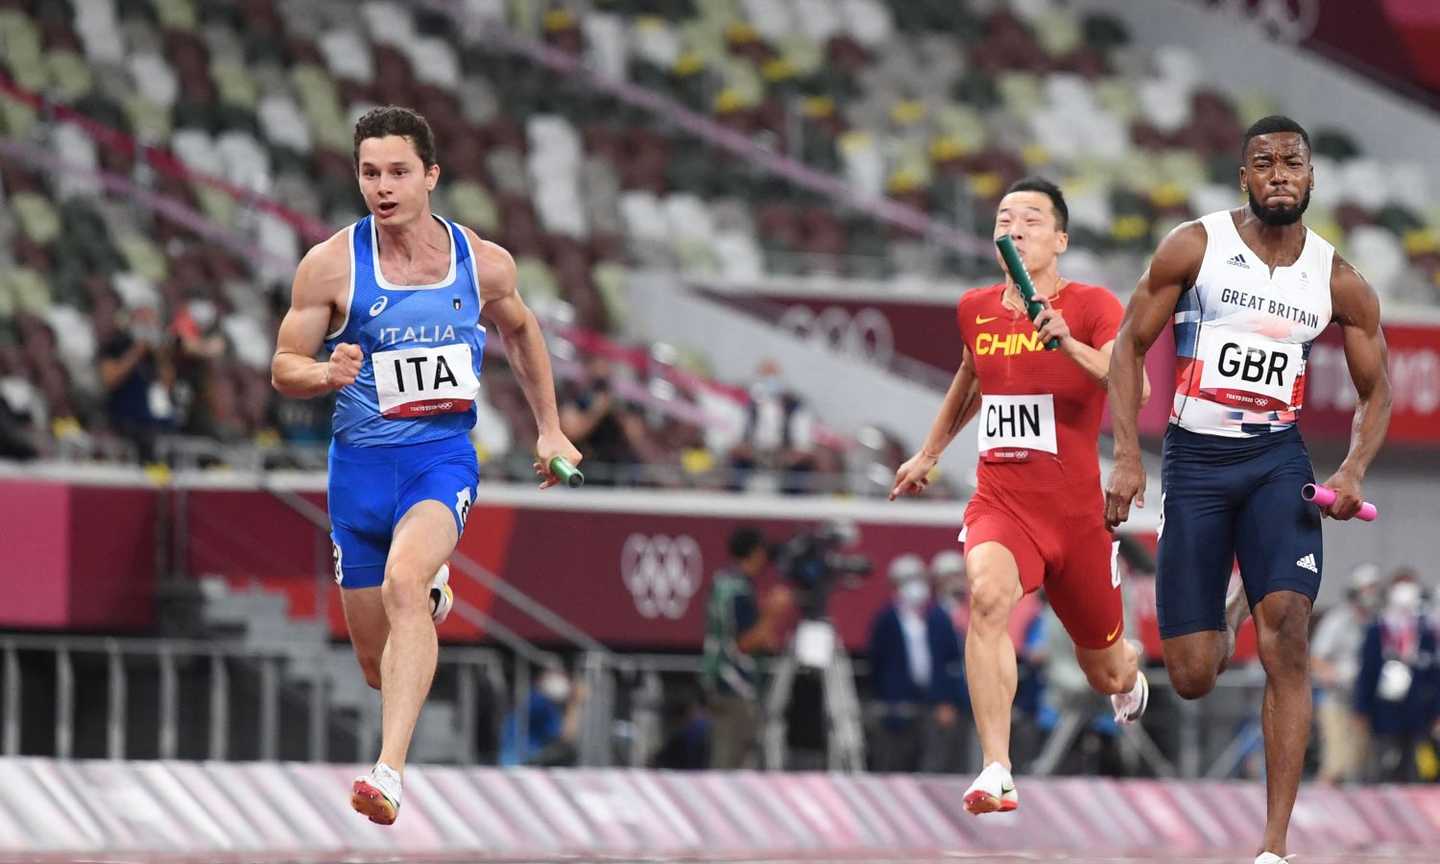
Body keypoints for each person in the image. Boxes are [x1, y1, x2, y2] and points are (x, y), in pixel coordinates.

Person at [271, 106, 580, 825]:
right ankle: (431, 598)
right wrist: (324, 374)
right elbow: (284, 366)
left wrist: (551, 429)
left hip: (440, 461)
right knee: (378, 668)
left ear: (431, 176)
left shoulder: (483, 262)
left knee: (406, 582)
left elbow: (523, 330)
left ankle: (389, 773)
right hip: (359, 474)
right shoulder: (331, 265)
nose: (383, 187)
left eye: (399, 172)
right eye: (370, 173)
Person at [1104, 116, 1392, 864]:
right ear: (1244, 177)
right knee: (1195, 675)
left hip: (1277, 464)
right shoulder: (1194, 248)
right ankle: (1237, 602)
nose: (1277, 174)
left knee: (1288, 636)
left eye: (1291, 162)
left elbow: (1378, 391)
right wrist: (1129, 457)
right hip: (1196, 464)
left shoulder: (1337, 280)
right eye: (1262, 163)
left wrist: (1353, 467)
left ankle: (1273, 848)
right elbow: (1129, 348)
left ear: (1311, 176)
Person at [891, 177, 1150, 814]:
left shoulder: (1092, 305)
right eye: (1005, 217)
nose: (1015, 227)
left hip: (1076, 516)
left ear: (1059, 239)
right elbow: (969, 377)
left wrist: (1066, 340)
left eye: (1032, 219)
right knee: (986, 597)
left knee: (1106, 674)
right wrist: (929, 452)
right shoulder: (975, 307)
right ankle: (997, 768)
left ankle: (1130, 666)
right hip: (1002, 505)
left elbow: (1133, 390)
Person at [865, 554, 967, 773]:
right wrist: (886, 700)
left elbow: (950, 663)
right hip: (898, 704)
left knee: (933, 760)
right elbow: (879, 663)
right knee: (896, 759)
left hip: (932, 702)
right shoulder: (885, 620)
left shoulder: (937, 618)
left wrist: (948, 700)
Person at [700, 526, 791, 769]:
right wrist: (773, 614)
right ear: (754, 552)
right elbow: (742, 642)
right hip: (734, 687)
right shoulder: (738, 589)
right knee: (728, 765)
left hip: (720, 681)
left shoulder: (724, 582)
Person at [1354, 574, 1439, 783]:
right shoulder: (1378, 629)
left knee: (1418, 767)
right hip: (1385, 712)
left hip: (1419, 714)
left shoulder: (1425, 631)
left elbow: (1434, 674)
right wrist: (1361, 710)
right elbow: (1367, 672)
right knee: (1386, 765)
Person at [1310, 564, 1382, 784]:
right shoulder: (1338, 620)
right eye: (1368, 588)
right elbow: (1314, 659)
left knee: (1360, 764)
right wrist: (1338, 676)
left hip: (1363, 703)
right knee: (1336, 763)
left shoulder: (1376, 622)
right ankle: (1319, 806)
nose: (1372, 594)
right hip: (1335, 700)